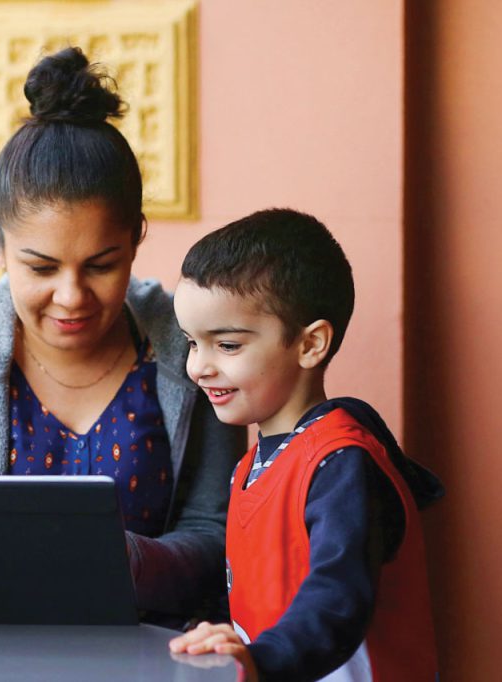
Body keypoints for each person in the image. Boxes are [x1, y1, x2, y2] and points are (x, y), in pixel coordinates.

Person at [0, 47, 246, 625]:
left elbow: (215, 535)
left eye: (102, 264)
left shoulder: (188, 343)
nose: (72, 297)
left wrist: (128, 561)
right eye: (39, 268)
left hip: (156, 653)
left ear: (137, 238)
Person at [167, 209, 444, 681]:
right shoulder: (253, 464)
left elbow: (337, 597)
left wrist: (263, 660)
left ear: (311, 344)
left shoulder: (341, 463)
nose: (199, 367)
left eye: (227, 345)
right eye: (192, 343)